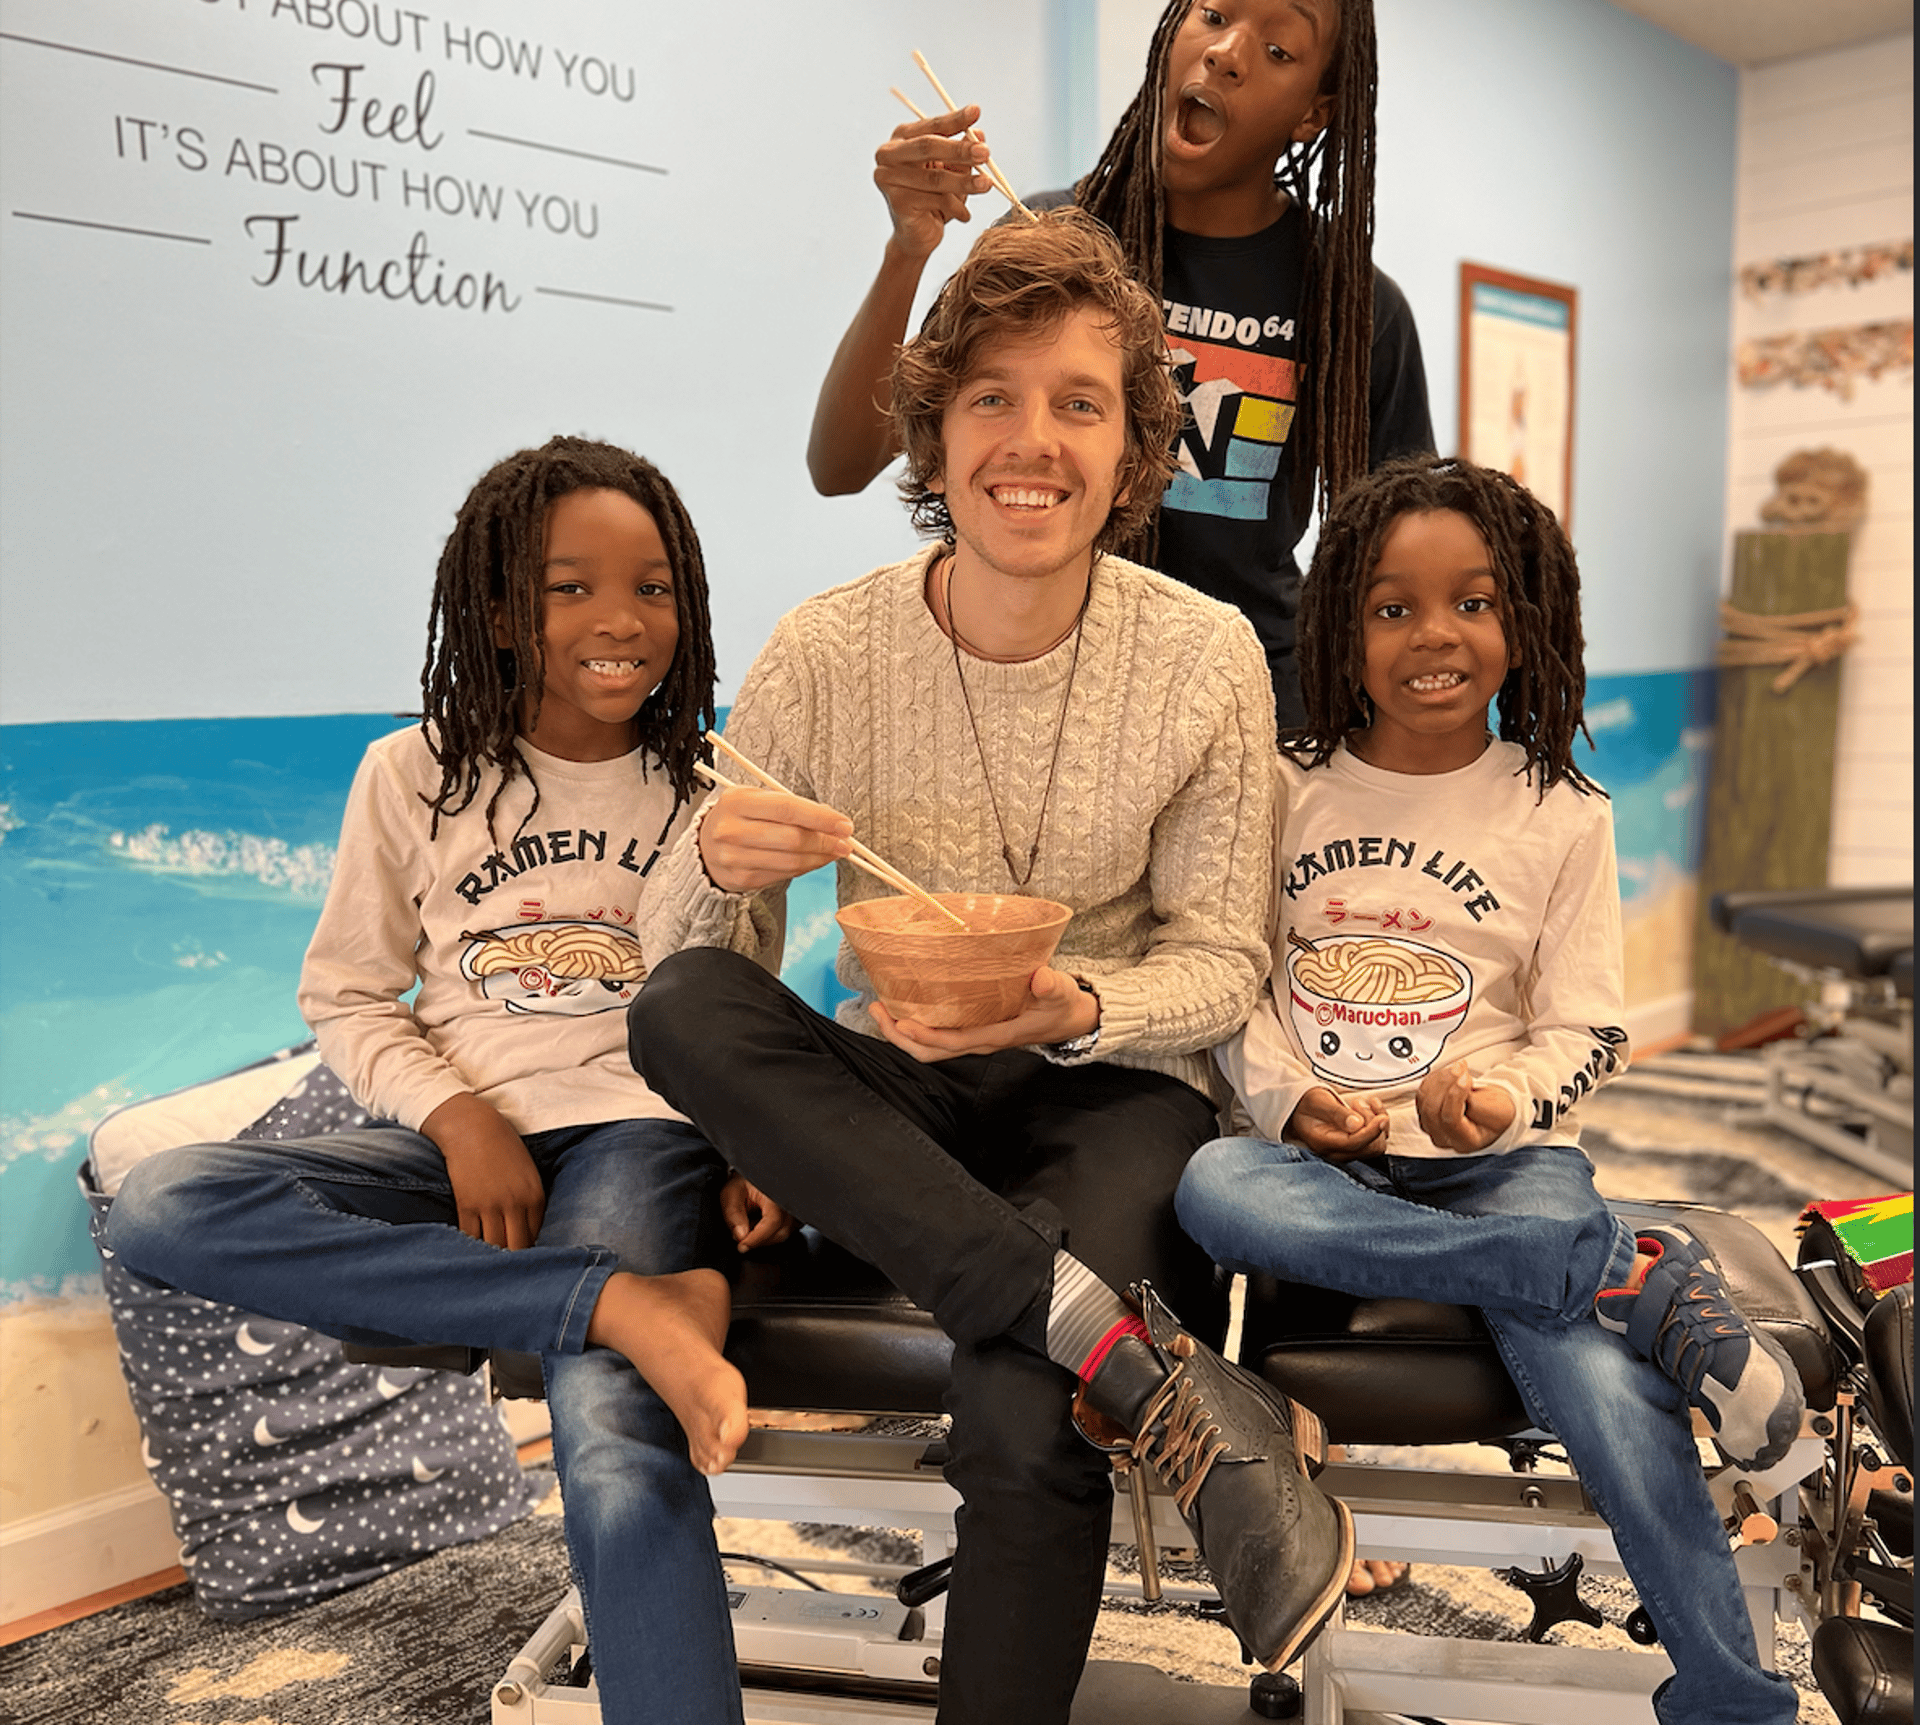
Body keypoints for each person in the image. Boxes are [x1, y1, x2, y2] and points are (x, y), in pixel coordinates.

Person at [629, 210, 1353, 1725]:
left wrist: (1080, 1004)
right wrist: (716, 868)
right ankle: (1119, 1343)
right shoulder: (825, 652)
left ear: (1137, 442)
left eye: (1080, 402)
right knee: (680, 1004)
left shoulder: (1211, 650)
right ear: (935, 431)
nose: (1034, 440)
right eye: (992, 398)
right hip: (894, 1082)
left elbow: (1222, 959)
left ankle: (1075, 1340)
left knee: (1029, 1416)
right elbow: (719, 970)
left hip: (1113, 1093)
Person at [106, 437, 789, 1725]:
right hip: (458, 1146)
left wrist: (759, 1140)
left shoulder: (713, 789)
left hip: (641, 1133)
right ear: (496, 610)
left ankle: (610, 1333)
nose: (620, 620)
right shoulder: (405, 776)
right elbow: (349, 998)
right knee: (163, 1203)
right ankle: (625, 1303)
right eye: (568, 587)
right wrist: (456, 1113)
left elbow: (739, 1004)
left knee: (607, 1423)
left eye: (653, 587)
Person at [1175, 453, 1805, 1725]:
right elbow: (1233, 983)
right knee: (1213, 1184)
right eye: (1393, 608)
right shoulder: (1284, 789)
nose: (1434, 637)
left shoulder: (1559, 812)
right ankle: (1617, 1272)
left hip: (1496, 1171)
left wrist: (1502, 1104)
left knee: (1600, 1395)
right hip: (1322, 1168)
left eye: (1473, 601)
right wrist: (1291, 1096)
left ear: (1530, 619)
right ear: (1340, 623)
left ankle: (1736, 1698)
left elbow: (1587, 1027)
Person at [807, 0, 1434, 730]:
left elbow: (1396, 567)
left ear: (1312, 114)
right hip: (1020, 702)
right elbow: (841, 463)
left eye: (1279, 49)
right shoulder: (1046, 238)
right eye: (1213, 14)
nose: (1228, 52)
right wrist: (908, 251)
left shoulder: (1357, 314)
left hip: (1244, 720)